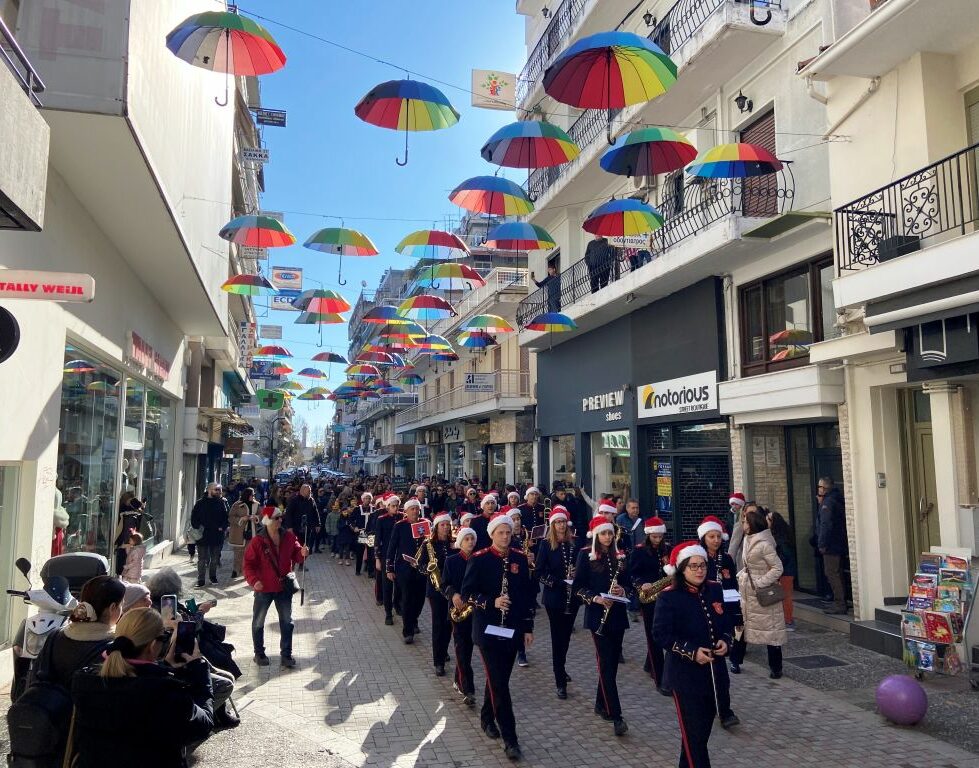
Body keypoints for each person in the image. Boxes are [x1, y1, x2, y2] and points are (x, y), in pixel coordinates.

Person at [68, 607, 214, 768]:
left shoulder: (84, 682)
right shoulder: (165, 693)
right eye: (164, 637)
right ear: (152, 645)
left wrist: (164, 667)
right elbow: (203, 725)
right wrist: (200, 672)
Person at [461, 513, 534, 761]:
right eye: (501, 532)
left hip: (512, 629)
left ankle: (485, 716)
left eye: (508, 532)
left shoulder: (520, 559)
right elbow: (467, 593)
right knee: (501, 685)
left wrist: (528, 627)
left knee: (498, 679)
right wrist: (491, 602)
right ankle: (510, 739)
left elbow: (526, 595)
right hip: (487, 631)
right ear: (491, 534)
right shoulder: (479, 559)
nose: (505, 536)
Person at [653, 541, 732, 768]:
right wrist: (691, 652)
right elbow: (661, 635)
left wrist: (726, 642)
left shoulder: (714, 589)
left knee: (698, 737)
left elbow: (726, 623)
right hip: (685, 676)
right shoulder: (669, 596)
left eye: (702, 566)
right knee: (694, 739)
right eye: (693, 566)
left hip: (714, 674)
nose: (699, 571)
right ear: (682, 569)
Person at [571, 516, 630, 736]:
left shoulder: (621, 556)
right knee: (605, 664)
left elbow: (628, 582)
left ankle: (600, 703)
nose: (607, 537)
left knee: (612, 665)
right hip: (598, 615)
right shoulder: (585, 555)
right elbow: (577, 588)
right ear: (596, 535)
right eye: (604, 534)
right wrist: (595, 598)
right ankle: (617, 716)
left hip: (618, 615)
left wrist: (622, 591)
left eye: (610, 534)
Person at [29, 575, 125, 689]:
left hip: (48, 705)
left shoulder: (55, 636)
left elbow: (34, 679)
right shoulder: (116, 647)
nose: (122, 610)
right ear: (112, 607)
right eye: (121, 604)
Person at [243, 506, 308, 668]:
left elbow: (298, 556)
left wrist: (303, 553)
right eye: (276, 518)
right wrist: (254, 580)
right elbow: (248, 565)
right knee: (258, 622)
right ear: (267, 520)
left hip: (283, 588)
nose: (280, 520)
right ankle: (259, 654)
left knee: (287, 622)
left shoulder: (289, 537)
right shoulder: (257, 541)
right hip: (263, 588)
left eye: (281, 517)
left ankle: (286, 655)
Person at [696, 515, 741, 727]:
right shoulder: (697, 559)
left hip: (723, 614)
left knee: (721, 671)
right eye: (711, 536)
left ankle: (725, 711)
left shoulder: (727, 559)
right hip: (702, 614)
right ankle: (706, 706)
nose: (715, 540)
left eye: (717, 536)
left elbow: (732, 585)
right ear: (703, 537)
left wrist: (735, 613)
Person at [534, 504, 579, 699]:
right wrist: (557, 582)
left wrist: (577, 575)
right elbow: (539, 572)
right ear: (553, 525)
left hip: (572, 597)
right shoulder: (545, 545)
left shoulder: (574, 544)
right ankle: (559, 678)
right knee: (557, 637)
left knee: (567, 636)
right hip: (554, 597)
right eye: (558, 522)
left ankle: (561, 665)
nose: (561, 525)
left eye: (563, 522)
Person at [738, 506, 786, 679]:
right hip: (747, 592)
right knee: (741, 626)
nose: (742, 524)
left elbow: (777, 567)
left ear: (751, 524)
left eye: (744, 521)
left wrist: (760, 582)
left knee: (771, 632)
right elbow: (748, 565)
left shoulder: (765, 544)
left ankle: (776, 667)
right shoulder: (747, 540)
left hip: (763, 593)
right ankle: (736, 660)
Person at [628, 516, 668, 690]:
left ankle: (648, 663)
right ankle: (660, 678)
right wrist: (641, 585)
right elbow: (632, 574)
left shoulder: (668, 549)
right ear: (648, 535)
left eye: (660, 537)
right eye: (654, 537)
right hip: (649, 596)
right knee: (653, 636)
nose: (658, 540)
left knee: (660, 633)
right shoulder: (639, 551)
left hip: (666, 596)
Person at [442, 526, 477, 708]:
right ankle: (468, 690)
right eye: (467, 539)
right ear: (460, 542)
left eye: (472, 539)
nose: (470, 542)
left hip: (476, 612)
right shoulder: (451, 560)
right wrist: (454, 594)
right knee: (462, 650)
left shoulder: (480, 560)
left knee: (468, 651)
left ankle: (458, 678)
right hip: (458, 613)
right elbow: (444, 584)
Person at [386, 499, 428, 644]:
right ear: (406, 511)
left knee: (420, 599)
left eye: (417, 509)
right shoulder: (400, 526)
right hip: (404, 568)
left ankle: (414, 619)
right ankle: (407, 631)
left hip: (422, 568)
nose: (415, 511)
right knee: (407, 599)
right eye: (412, 509)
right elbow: (392, 548)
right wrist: (389, 568)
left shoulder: (425, 523)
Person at [417, 512, 454, 676]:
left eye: (448, 524)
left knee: (449, 624)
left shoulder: (455, 543)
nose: (445, 527)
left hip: (452, 589)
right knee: (438, 625)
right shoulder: (428, 544)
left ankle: (444, 650)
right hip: (435, 590)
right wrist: (428, 570)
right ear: (436, 526)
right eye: (442, 525)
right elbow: (419, 563)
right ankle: (438, 662)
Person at [816, 477, 848, 615]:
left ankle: (840, 604)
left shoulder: (828, 503)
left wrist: (822, 543)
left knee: (831, 573)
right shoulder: (837, 498)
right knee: (837, 572)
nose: (818, 489)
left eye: (819, 487)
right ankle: (842, 601)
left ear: (824, 488)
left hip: (831, 544)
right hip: (839, 542)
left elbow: (826, 524)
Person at [190, 482, 229, 587]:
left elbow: (227, 517)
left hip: (217, 535)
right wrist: (197, 527)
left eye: (219, 490)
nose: (218, 492)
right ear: (209, 490)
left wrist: (223, 527)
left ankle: (213, 577)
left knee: (215, 558)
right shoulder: (200, 503)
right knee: (202, 559)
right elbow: (194, 517)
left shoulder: (222, 502)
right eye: (216, 489)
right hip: (203, 535)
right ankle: (201, 579)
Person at [767, 509, 798, 629]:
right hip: (785, 570)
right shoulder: (780, 536)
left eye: (768, 520)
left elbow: (785, 556)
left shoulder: (781, 538)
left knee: (785, 596)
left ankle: (788, 620)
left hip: (785, 571)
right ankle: (786, 619)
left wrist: (776, 567)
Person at [375, 495, 403, 625]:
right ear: (387, 506)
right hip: (386, 557)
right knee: (387, 586)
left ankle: (397, 605)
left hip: (400, 557)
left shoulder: (402, 518)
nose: (396, 508)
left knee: (399, 585)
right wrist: (377, 559)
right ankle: (388, 613)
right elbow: (377, 541)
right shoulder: (381, 520)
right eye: (393, 506)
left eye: (397, 505)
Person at [229, 487, 260, 579]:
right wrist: (242, 519)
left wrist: (256, 517)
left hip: (252, 532)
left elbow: (261, 515)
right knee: (238, 553)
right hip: (239, 533)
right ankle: (236, 570)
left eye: (254, 495)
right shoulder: (237, 504)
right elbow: (231, 517)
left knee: (250, 554)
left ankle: (246, 572)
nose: (253, 496)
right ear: (247, 495)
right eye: (252, 495)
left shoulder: (256, 504)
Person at [726, 492, 748, 571]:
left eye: (736, 504)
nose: (734, 506)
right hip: (732, 540)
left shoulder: (743, 515)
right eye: (732, 504)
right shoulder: (729, 514)